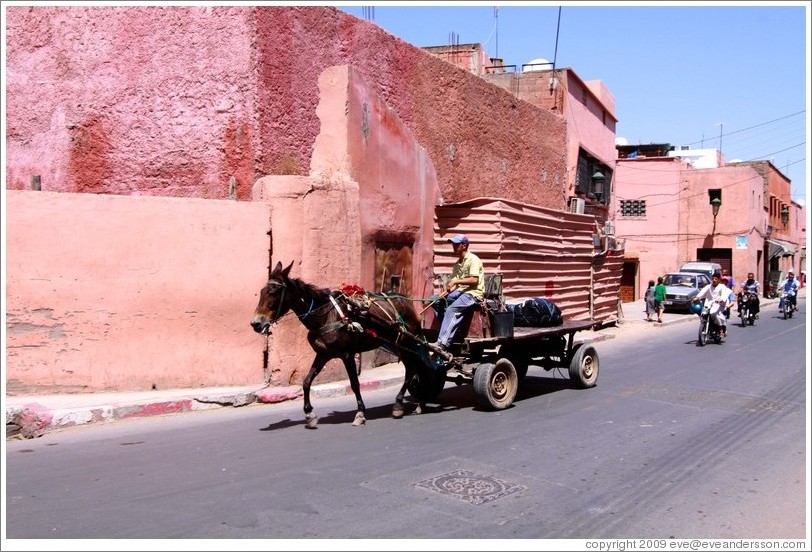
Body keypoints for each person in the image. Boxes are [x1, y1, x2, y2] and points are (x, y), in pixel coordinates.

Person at [431, 234, 485, 351]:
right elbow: (454, 284)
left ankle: (442, 343)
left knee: (452, 309)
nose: (454, 247)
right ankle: (448, 331)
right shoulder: (457, 264)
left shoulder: (473, 260)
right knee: (436, 301)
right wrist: (447, 289)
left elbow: (474, 280)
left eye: (456, 244)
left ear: (464, 246)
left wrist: (456, 281)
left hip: (473, 294)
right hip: (461, 292)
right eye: (453, 244)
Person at [694, 270, 735, 337]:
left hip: (720, 305)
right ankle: (706, 325)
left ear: (719, 280)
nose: (714, 280)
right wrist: (697, 297)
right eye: (713, 278)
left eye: (716, 279)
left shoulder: (722, 287)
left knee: (713, 314)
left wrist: (721, 299)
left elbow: (724, 295)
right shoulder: (709, 286)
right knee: (704, 313)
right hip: (709, 303)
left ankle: (721, 328)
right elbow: (702, 292)